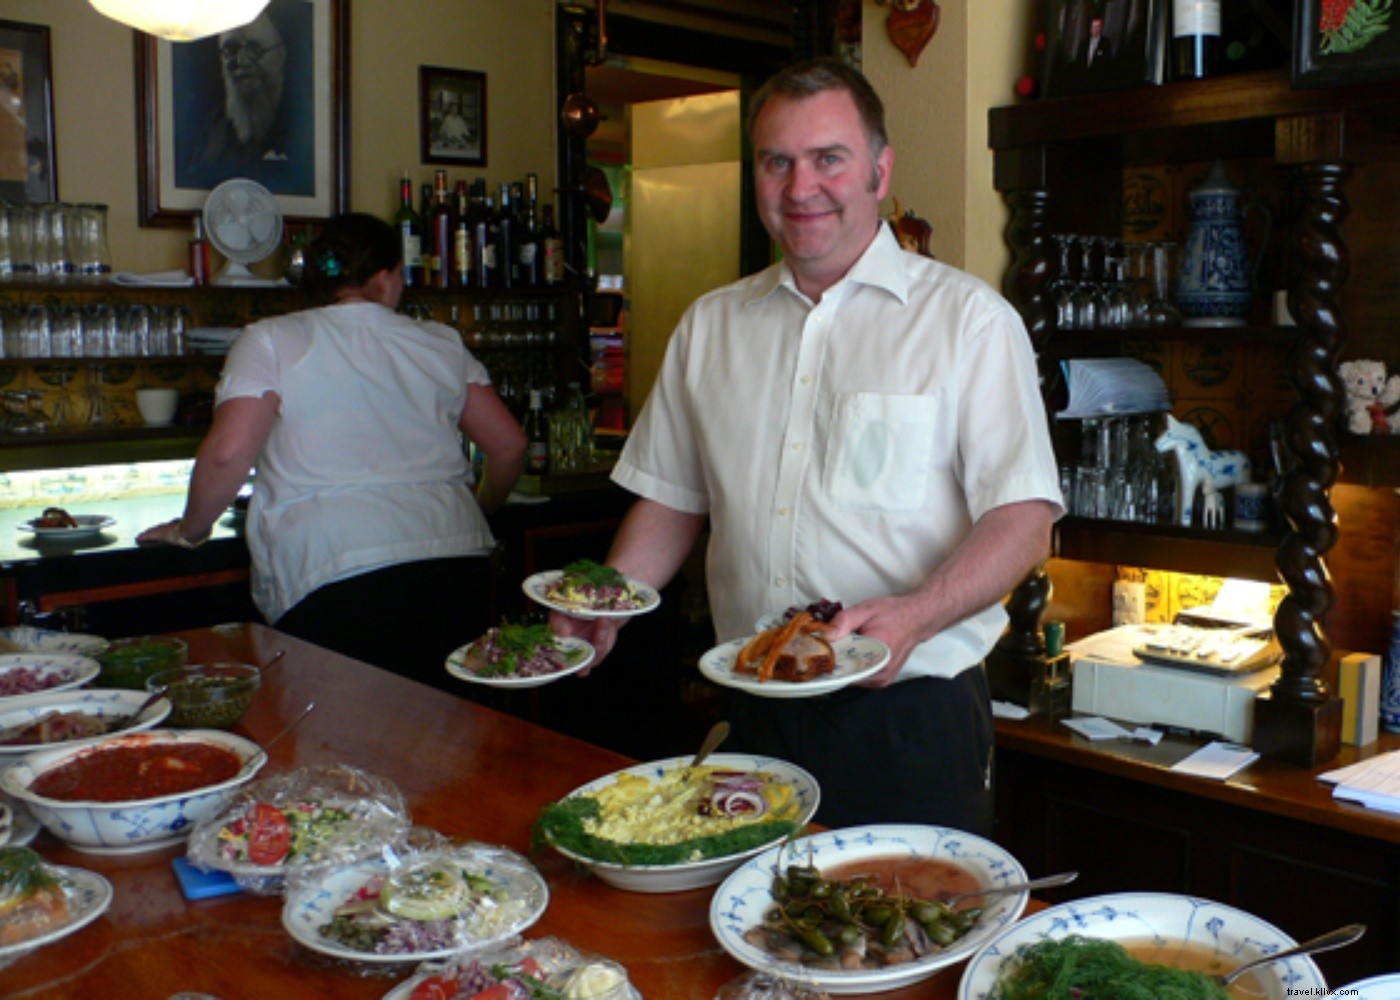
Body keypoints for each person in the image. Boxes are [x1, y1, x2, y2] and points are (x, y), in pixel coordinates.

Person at [552, 58, 1063, 834]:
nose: (801, 187)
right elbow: (670, 499)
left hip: (907, 718)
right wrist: (609, 603)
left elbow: (1025, 519)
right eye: (776, 161)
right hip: (753, 708)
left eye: (829, 159)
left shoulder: (967, 322)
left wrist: (915, 616)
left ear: (880, 172)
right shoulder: (710, 326)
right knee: (742, 936)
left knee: (905, 943)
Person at [139, 213, 526, 690]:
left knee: (340, 739)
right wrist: (481, 504)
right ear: (384, 279)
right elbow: (508, 445)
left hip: (335, 568)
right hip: (455, 560)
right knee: (450, 734)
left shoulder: (273, 337)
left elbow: (228, 454)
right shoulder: (441, 342)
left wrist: (189, 531)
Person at [177, 5, 311, 194]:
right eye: (229, 51)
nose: (240, 61)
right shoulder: (214, 127)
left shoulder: (302, 126)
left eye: (254, 49)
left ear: (281, 55)